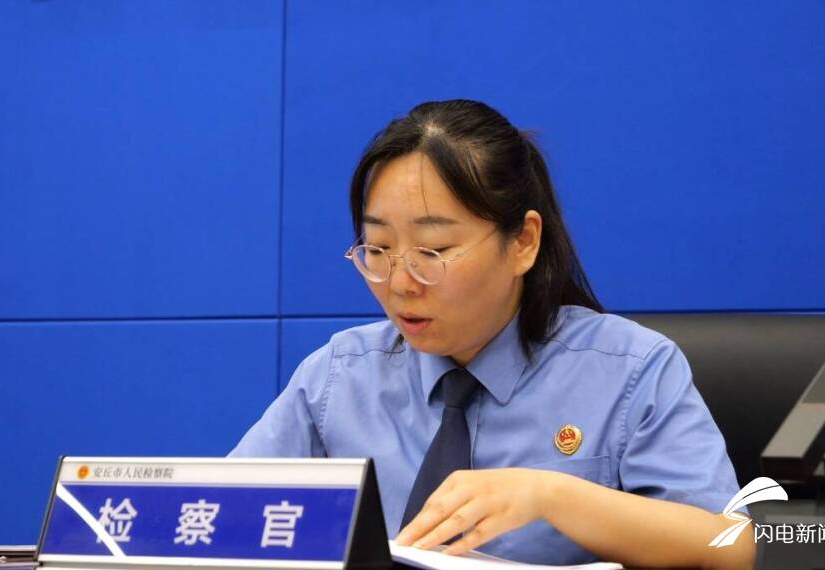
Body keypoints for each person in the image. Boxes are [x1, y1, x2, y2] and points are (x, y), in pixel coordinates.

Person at [230, 100, 753, 569]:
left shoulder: (629, 370)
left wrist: (552, 497)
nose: (399, 283)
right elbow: (223, 518)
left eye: (432, 251)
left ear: (523, 241)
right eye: (379, 249)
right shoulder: (339, 377)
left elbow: (731, 544)